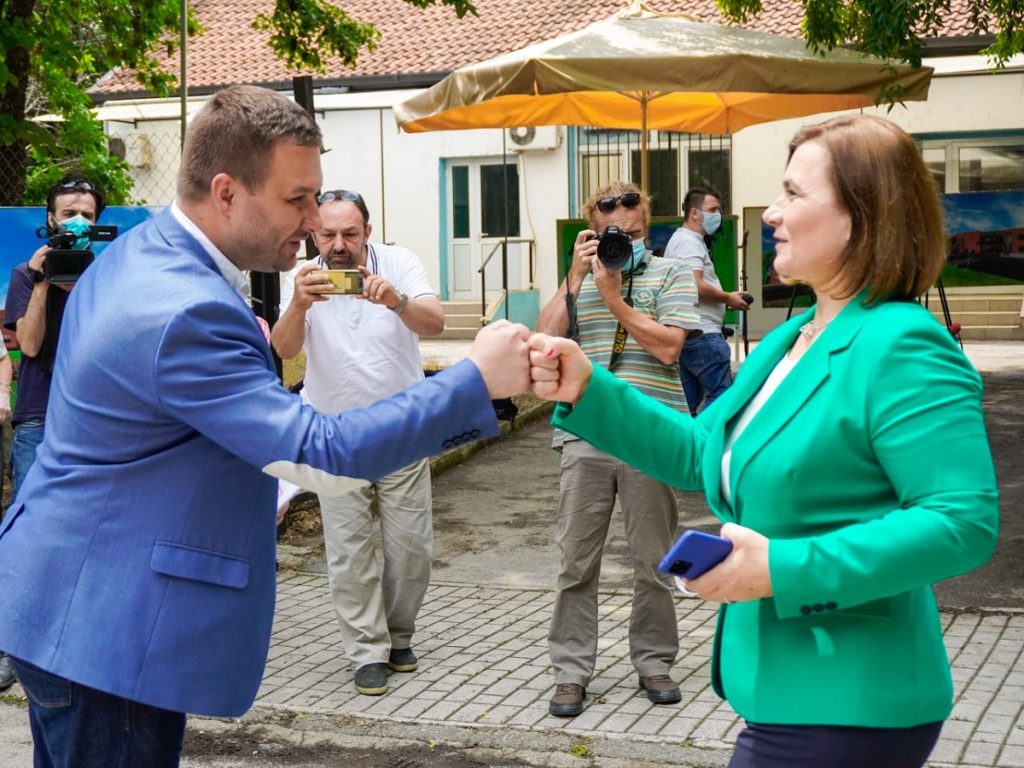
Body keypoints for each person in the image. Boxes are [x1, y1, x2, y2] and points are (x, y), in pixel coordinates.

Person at [0, 84, 532, 767]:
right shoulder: (187, 306)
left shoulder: (140, 253)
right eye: (297, 199)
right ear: (226, 192)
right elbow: (320, 452)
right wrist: (475, 381)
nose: (313, 222)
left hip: (65, 602)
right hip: (108, 629)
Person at [527, 114, 998, 767]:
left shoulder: (903, 343)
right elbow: (700, 452)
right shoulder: (788, 341)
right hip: (783, 696)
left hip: (849, 701)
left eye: (794, 193)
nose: (771, 212)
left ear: (861, 216)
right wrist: (587, 388)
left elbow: (961, 521)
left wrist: (780, 570)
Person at [536, 181, 702, 718]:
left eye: (632, 232)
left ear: (646, 228)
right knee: (575, 561)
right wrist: (576, 276)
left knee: (654, 560)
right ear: (592, 230)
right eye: (612, 233)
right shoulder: (580, 277)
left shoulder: (672, 273)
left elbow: (669, 347)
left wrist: (613, 299)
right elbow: (544, 340)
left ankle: (654, 662)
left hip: (651, 436)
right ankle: (570, 672)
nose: (623, 241)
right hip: (586, 431)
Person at [271, 189, 445, 696]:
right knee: (349, 551)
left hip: (401, 428)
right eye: (327, 234)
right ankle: (367, 650)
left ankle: (399, 634)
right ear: (313, 234)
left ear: (368, 231)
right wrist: (299, 303)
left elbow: (435, 323)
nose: (339, 245)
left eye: (350, 233)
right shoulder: (301, 276)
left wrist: (397, 301)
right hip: (336, 436)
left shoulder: (399, 262)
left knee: (411, 549)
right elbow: (283, 348)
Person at [3, 173, 104, 497]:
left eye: (87, 215)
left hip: (91, 413)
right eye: (69, 214)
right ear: (51, 219)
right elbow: (30, 346)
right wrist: (42, 282)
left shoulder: (105, 274)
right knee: (29, 507)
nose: (78, 222)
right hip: (39, 413)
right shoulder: (25, 274)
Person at [664, 187, 750, 414]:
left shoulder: (683, 240)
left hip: (689, 334)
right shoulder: (689, 242)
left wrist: (724, 300)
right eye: (712, 210)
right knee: (722, 398)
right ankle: (705, 435)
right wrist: (727, 297)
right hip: (704, 334)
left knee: (686, 406)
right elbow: (695, 284)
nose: (718, 216)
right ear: (694, 213)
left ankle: (685, 437)